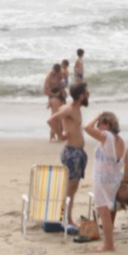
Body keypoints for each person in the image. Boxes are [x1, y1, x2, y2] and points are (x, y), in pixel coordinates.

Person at [84, 111, 128, 252]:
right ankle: (109, 243)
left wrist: (96, 116)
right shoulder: (121, 141)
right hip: (113, 181)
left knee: (103, 213)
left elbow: (87, 128)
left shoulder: (106, 137)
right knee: (106, 213)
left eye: (101, 123)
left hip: (101, 180)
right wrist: (125, 178)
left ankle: (108, 245)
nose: (98, 126)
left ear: (109, 124)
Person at [48, 83, 90, 228]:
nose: (88, 94)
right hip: (72, 152)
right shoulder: (70, 109)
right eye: (86, 92)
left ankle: (66, 216)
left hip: (78, 152)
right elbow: (51, 119)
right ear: (80, 95)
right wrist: (60, 135)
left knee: (73, 187)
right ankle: (66, 218)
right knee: (70, 188)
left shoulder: (75, 108)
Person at [43, 63, 67, 142]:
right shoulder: (49, 77)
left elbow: (63, 84)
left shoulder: (60, 73)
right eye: (55, 73)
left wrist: (63, 90)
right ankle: (53, 135)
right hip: (53, 96)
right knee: (55, 116)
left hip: (61, 96)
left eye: (58, 72)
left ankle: (58, 135)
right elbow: (45, 91)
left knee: (62, 116)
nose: (57, 74)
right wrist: (54, 94)